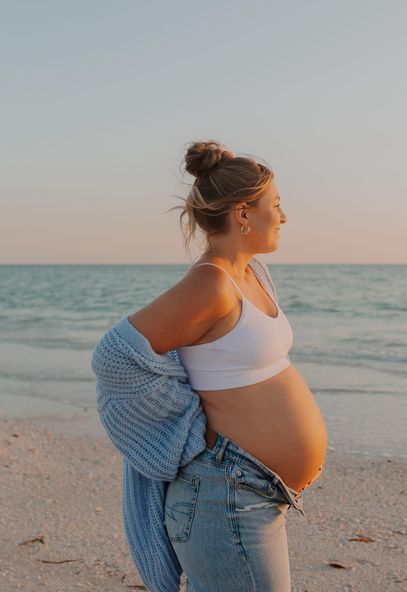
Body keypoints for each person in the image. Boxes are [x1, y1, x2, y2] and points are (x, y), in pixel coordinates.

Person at [126, 140, 328, 591]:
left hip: (253, 492)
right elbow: (117, 356)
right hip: (225, 494)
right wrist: (181, 425)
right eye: (275, 204)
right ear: (242, 213)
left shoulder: (251, 274)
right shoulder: (210, 284)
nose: (284, 215)